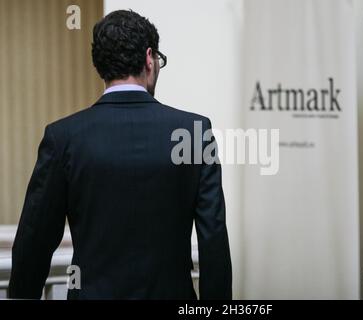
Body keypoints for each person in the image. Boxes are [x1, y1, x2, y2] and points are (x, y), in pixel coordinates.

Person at [8, 10, 232, 300]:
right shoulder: (195, 131)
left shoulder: (63, 137)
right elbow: (213, 239)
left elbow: (34, 242)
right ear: (149, 58)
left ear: (100, 65)